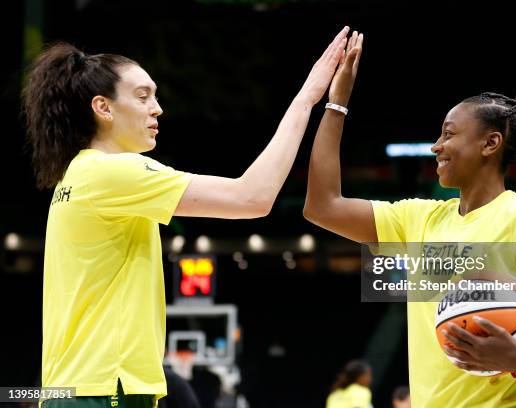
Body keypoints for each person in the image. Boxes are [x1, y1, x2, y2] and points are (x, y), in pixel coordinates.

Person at [22, 26, 350, 407]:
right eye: (143, 96)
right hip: (104, 389)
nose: (157, 108)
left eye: (155, 96)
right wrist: (307, 98)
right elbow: (253, 198)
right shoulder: (112, 172)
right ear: (103, 107)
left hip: (82, 387)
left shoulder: (79, 173)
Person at [303, 31, 516, 407]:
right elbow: (322, 206)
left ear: (490, 144)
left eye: (449, 134)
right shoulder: (418, 218)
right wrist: (337, 104)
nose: (436, 146)